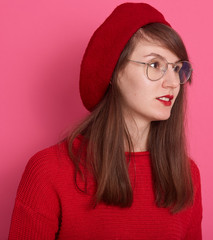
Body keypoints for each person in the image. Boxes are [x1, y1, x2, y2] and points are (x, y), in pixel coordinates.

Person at [9, 3, 202, 239]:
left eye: (176, 69)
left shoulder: (186, 174)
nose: (172, 83)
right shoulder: (48, 172)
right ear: (113, 72)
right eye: (155, 65)